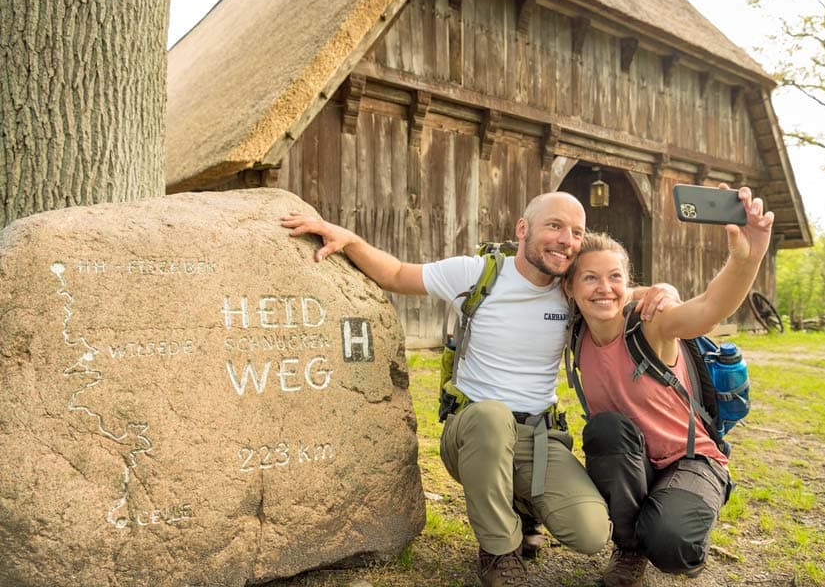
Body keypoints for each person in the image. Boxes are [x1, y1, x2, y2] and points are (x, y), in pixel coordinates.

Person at [283, 191, 676, 587]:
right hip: (473, 429)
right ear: (522, 229)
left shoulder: (572, 288)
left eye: (577, 232)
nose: (566, 240)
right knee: (492, 417)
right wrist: (350, 240)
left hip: (538, 437)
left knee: (589, 533)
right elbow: (397, 274)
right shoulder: (477, 274)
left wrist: (663, 291)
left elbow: (620, 292)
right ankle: (499, 552)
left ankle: (522, 508)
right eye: (554, 226)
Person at [563, 185, 773, 587]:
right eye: (590, 278)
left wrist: (747, 259)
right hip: (634, 461)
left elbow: (709, 308)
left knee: (671, 542)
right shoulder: (574, 332)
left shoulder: (651, 324)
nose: (604, 288)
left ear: (628, 284)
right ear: (570, 288)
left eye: (614, 277)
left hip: (690, 457)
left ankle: (678, 524)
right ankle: (629, 550)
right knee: (605, 430)